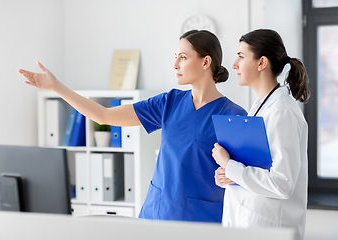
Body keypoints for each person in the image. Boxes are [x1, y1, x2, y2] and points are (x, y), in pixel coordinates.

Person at [19, 30, 247, 222]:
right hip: (156, 213)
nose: (175, 64)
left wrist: (232, 175)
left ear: (205, 62)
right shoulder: (169, 102)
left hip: (200, 221)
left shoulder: (233, 115)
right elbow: (103, 115)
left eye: (183, 57)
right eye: (175, 56)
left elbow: (248, 175)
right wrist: (56, 87)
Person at [212, 29, 309, 240]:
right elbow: (256, 167)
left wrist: (230, 166)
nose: (234, 64)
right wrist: (230, 175)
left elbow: (282, 183)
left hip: (268, 229)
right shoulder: (260, 107)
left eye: (241, 56)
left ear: (261, 63)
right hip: (247, 224)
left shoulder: (282, 111)